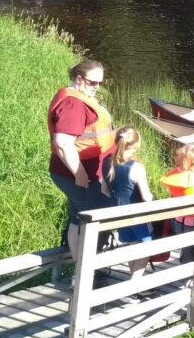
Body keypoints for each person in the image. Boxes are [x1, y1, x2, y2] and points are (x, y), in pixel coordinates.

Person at [47, 59, 115, 262]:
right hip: (78, 174)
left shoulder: (76, 96)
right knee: (96, 217)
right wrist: (80, 174)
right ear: (79, 79)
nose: (97, 87)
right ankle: (87, 271)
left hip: (78, 172)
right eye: (93, 83)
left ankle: (78, 266)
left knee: (78, 217)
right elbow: (63, 142)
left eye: (100, 83)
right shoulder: (74, 104)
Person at [101, 126, 152, 279]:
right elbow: (146, 196)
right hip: (138, 215)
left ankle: (135, 284)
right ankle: (134, 285)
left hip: (119, 213)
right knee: (147, 247)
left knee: (131, 245)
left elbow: (104, 190)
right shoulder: (136, 167)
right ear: (135, 146)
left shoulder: (107, 163)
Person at [160, 144, 194, 264]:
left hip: (186, 220)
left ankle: (191, 273)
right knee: (193, 247)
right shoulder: (193, 176)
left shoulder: (190, 177)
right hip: (187, 219)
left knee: (189, 248)